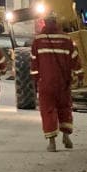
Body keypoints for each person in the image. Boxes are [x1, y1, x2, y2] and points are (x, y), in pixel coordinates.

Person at [29, 15, 77, 151]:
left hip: (45, 83)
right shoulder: (67, 38)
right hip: (63, 82)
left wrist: (35, 81)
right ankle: (66, 136)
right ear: (57, 22)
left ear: (44, 22)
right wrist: (79, 75)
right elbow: (75, 59)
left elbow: (34, 63)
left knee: (48, 110)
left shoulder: (38, 40)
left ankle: (52, 142)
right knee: (65, 108)